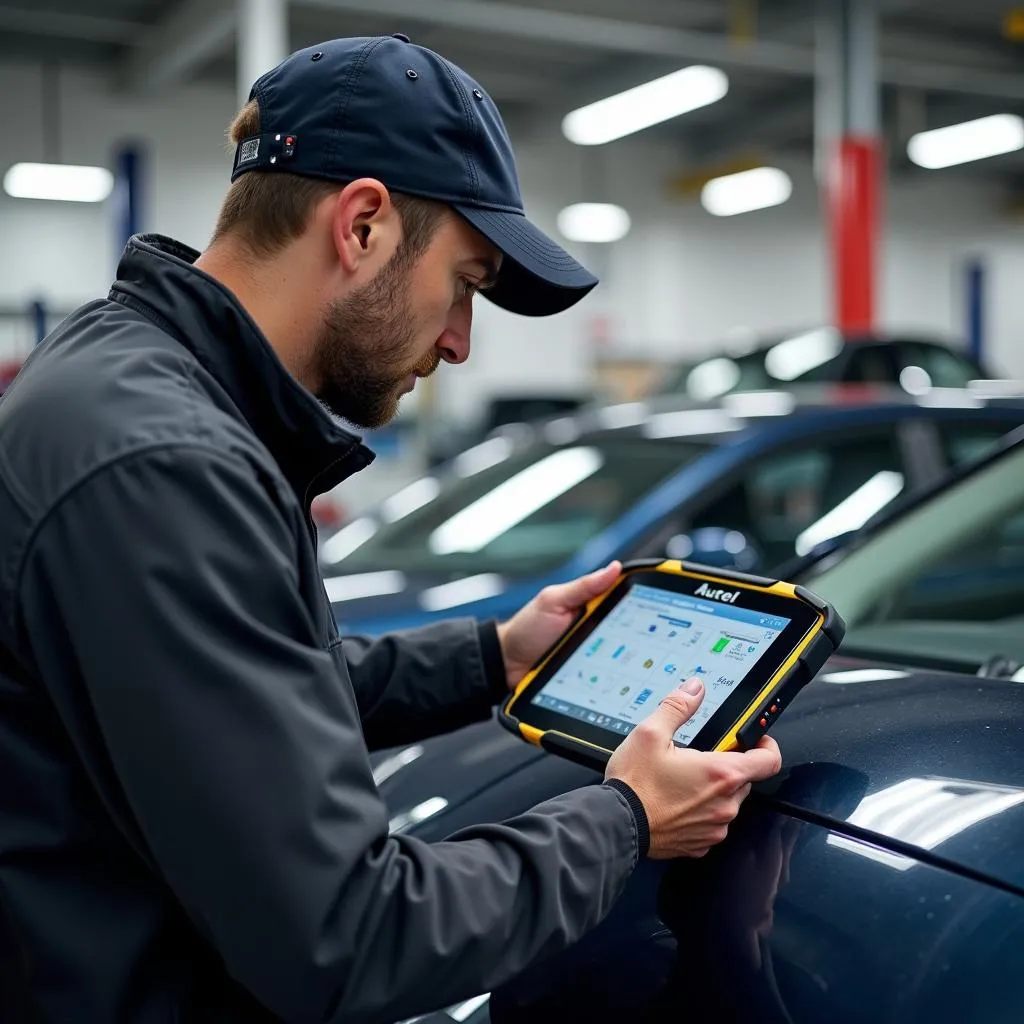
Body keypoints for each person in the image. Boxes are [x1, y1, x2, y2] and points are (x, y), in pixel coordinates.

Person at [0, 35, 782, 1024]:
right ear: (362, 224)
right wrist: (626, 819)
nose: (459, 339)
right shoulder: (166, 462)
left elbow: (247, 691)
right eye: (463, 281)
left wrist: (494, 656)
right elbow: (349, 936)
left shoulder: (133, 381)